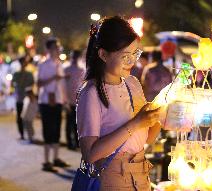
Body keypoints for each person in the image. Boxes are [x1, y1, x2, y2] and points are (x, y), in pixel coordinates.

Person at [76, 16, 161, 190]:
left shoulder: (133, 84)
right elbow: (90, 154)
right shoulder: (91, 93)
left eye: (135, 54)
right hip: (112, 177)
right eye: (125, 56)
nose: (132, 61)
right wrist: (136, 122)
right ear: (103, 54)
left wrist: (162, 113)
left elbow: (147, 138)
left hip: (141, 175)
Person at [37, 38, 69, 172]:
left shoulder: (59, 63)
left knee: (56, 130)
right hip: (46, 101)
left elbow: (61, 85)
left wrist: (65, 101)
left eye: (58, 47)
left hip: (58, 101)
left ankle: (56, 158)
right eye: (55, 47)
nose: (57, 49)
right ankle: (46, 161)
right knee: (47, 130)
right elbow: (39, 84)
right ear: (49, 49)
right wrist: (54, 78)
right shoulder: (43, 65)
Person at [64, 50, 84, 150]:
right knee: (69, 122)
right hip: (69, 99)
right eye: (74, 56)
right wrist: (65, 100)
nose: (75, 59)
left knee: (77, 123)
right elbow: (63, 85)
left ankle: (76, 142)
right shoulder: (66, 69)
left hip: (78, 100)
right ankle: (69, 143)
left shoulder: (81, 69)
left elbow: (82, 84)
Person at [12, 55, 34, 140]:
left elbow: (32, 85)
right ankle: (22, 133)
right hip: (20, 98)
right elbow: (13, 84)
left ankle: (28, 133)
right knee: (20, 117)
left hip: (27, 98)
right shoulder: (16, 74)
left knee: (28, 117)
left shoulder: (29, 74)